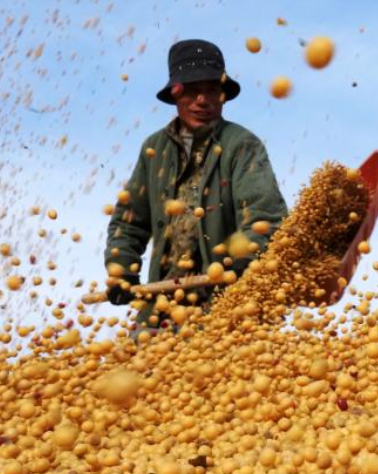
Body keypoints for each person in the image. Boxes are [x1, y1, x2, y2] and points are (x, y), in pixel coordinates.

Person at [104, 39, 289, 332]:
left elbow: (265, 217)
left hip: (228, 308)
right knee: (139, 372)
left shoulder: (241, 146)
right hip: (163, 307)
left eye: (211, 90)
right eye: (191, 90)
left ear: (223, 95)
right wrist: (122, 269)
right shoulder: (155, 150)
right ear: (175, 94)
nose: (202, 100)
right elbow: (129, 222)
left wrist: (245, 258)